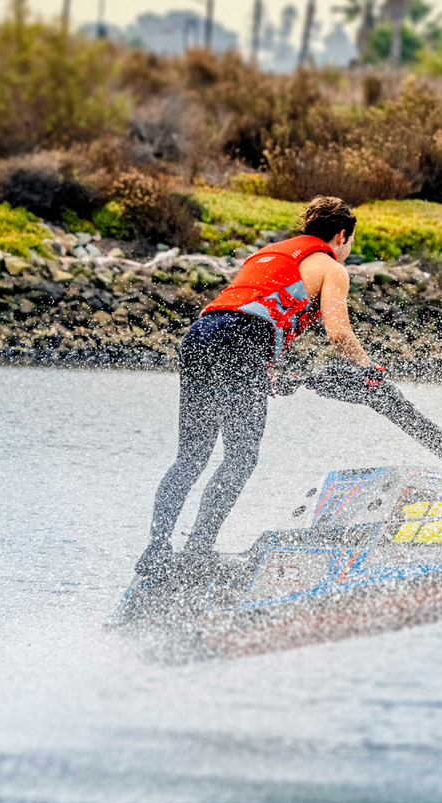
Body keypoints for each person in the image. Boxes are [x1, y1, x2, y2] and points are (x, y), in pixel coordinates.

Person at [135, 195, 384, 577]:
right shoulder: (331, 268)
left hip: (200, 336)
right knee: (240, 457)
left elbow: (250, 308)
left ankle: (156, 550)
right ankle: (197, 553)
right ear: (341, 235)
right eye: (350, 242)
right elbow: (338, 333)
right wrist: (370, 368)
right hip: (240, 343)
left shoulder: (269, 254)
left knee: (192, 456)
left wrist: (263, 368)